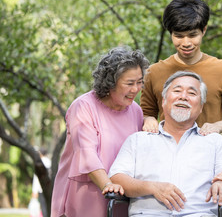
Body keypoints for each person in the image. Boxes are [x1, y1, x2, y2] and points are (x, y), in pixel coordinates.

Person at [107, 71, 222, 216]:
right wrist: (152, 187)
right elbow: (116, 178)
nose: (183, 97)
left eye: (192, 93)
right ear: (163, 101)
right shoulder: (138, 140)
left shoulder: (215, 142)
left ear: (200, 107)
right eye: (177, 91)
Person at [51, 46, 150, 217]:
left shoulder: (136, 111)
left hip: (119, 195)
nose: (136, 89)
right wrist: (107, 185)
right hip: (86, 193)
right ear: (111, 82)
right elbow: (86, 152)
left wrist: (150, 120)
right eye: (129, 83)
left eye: (139, 82)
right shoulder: (83, 106)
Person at [141, 0, 222, 135]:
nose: (186, 43)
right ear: (170, 34)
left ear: (203, 30)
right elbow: (144, 113)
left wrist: (218, 126)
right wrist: (148, 119)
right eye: (179, 36)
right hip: (166, 152)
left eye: (193, 35)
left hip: (207, 152)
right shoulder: (154, 72)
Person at [31, 147, 51, 217]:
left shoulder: (39, 162)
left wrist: (34, 191)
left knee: (44, 207)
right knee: (49, 206)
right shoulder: (50, 162)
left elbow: (36, 178)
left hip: (41, 188)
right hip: (50, 188)